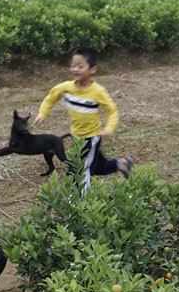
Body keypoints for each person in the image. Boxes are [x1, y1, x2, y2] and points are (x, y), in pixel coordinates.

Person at [33, 46, 134, 192]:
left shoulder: (97, 91)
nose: (76, 69)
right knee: (97, 166)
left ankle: (79, 201)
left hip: (91, 138)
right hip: (77, 137)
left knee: (81, 169)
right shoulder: (66, 87)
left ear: (92, 69)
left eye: (80, 66)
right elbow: (50, 98)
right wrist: (42, 114)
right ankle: (122, 164)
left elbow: (112, 111)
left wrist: (109, 129)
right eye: (73, 66)